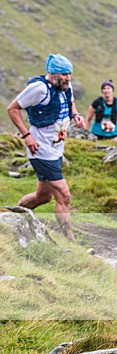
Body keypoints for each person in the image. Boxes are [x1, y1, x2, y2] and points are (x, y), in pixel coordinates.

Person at [6, 53, 85, 241]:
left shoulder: (66, 86)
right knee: (63, 195)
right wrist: (27, 136)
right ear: (52, 73)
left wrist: (75, 115)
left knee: (43, 197)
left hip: (56, 148)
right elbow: (12, 108)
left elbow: (70, 102)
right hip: (40, 150)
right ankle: (71, 241)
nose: (68, 78)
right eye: (64, 74)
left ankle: (11, 218)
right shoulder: (39, 89)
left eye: (70, 74)